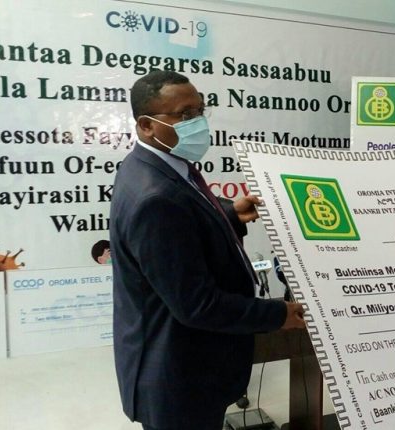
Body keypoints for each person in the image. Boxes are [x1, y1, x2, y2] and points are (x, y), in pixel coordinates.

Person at [110, 70, 305, 430]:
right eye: (185, 114)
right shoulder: (156, 198)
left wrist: (230, 215)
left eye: (200, 110)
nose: (197, 122)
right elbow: (197, 305)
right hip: (178, 377)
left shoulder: (158, 166)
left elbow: (185, 229)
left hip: (189, 365)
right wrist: (278, 314)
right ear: (146, 125)